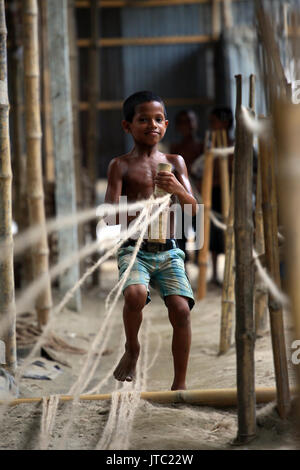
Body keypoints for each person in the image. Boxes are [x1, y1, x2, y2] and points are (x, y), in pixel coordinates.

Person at [104, 91, 198, 391]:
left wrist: (178, 191)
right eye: (142, 119)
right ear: (126, 126)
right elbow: (109, 217)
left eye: (158, 119)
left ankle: (179, 384)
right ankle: (132, 348)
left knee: (181, 310)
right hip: (135, 250)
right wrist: (138, 210)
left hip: (169, 249)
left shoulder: (174, 163)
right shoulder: (120, 165)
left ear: (166, 125)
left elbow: (193, 209)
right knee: (134, 296)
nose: (151, 125)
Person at [170, 110, 203, 257]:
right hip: (179, 196)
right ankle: (183, 264)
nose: (187, 125)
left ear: (196, 123)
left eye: (190, 121)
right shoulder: (174, 149)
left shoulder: (203, 147)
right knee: (180, 232)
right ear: (177, 126)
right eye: (183, 122)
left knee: (201, 232)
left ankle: (205, 265)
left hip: (200, 195)